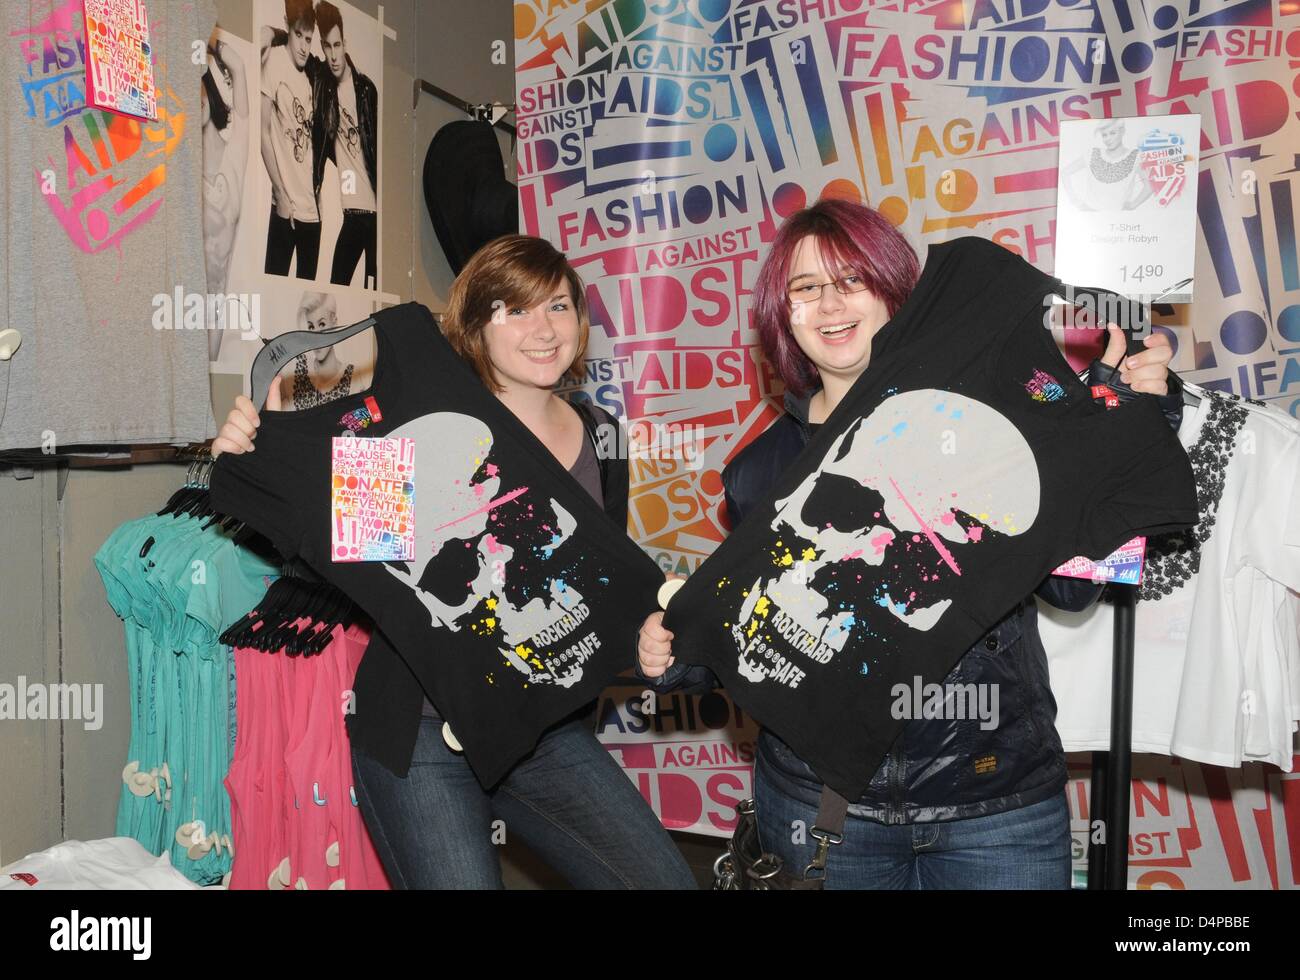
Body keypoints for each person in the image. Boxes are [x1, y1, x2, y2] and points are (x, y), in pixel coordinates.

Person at [635, 198, 1185, 889]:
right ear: (783, 314)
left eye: (852, 279)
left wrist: (1129, 423)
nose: (830, 304)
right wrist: (681, 656)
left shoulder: (989, 427)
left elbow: (1073, 586)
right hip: (822, 803)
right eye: (805, 288)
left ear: (896, 290)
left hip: (993, 802)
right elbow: (749, 623)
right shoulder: (761, 471)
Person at [212, 235, 696, 890]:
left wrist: (651, 638)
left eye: (557, 306)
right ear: (474, 325)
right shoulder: (416, 427)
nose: (543, 329)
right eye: (515, 311)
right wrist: (256, 459)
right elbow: (349, 565)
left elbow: (598, 579)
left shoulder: (600, 433)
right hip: (419, 730)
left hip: (539, 727)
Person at [264, 1, 378, 289]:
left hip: (363, 213)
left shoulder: (364, 90)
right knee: (321, 288)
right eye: (325, 47)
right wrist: (271, 34)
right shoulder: (315, 79)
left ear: (344, 44)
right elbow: (293, 43)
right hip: (324, 212)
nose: (332, 55)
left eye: (336, 45)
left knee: (369, 295)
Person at [260, 0, 321, 278]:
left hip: (312, 214)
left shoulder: (311, 77)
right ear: (287, 26)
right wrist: (280, 193)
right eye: (298, 35)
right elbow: (263, 132)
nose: (304, 46)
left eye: (309, 39)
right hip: (286, 210)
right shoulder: (273, 61)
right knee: (273, 294)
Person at [201, 34, 250, 363]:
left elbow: (240, 66)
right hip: (180, 309)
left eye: (200, 84)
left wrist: (210, 40)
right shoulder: (181, 170)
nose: (196, 98)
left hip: (215, 317)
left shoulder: (235, 154)